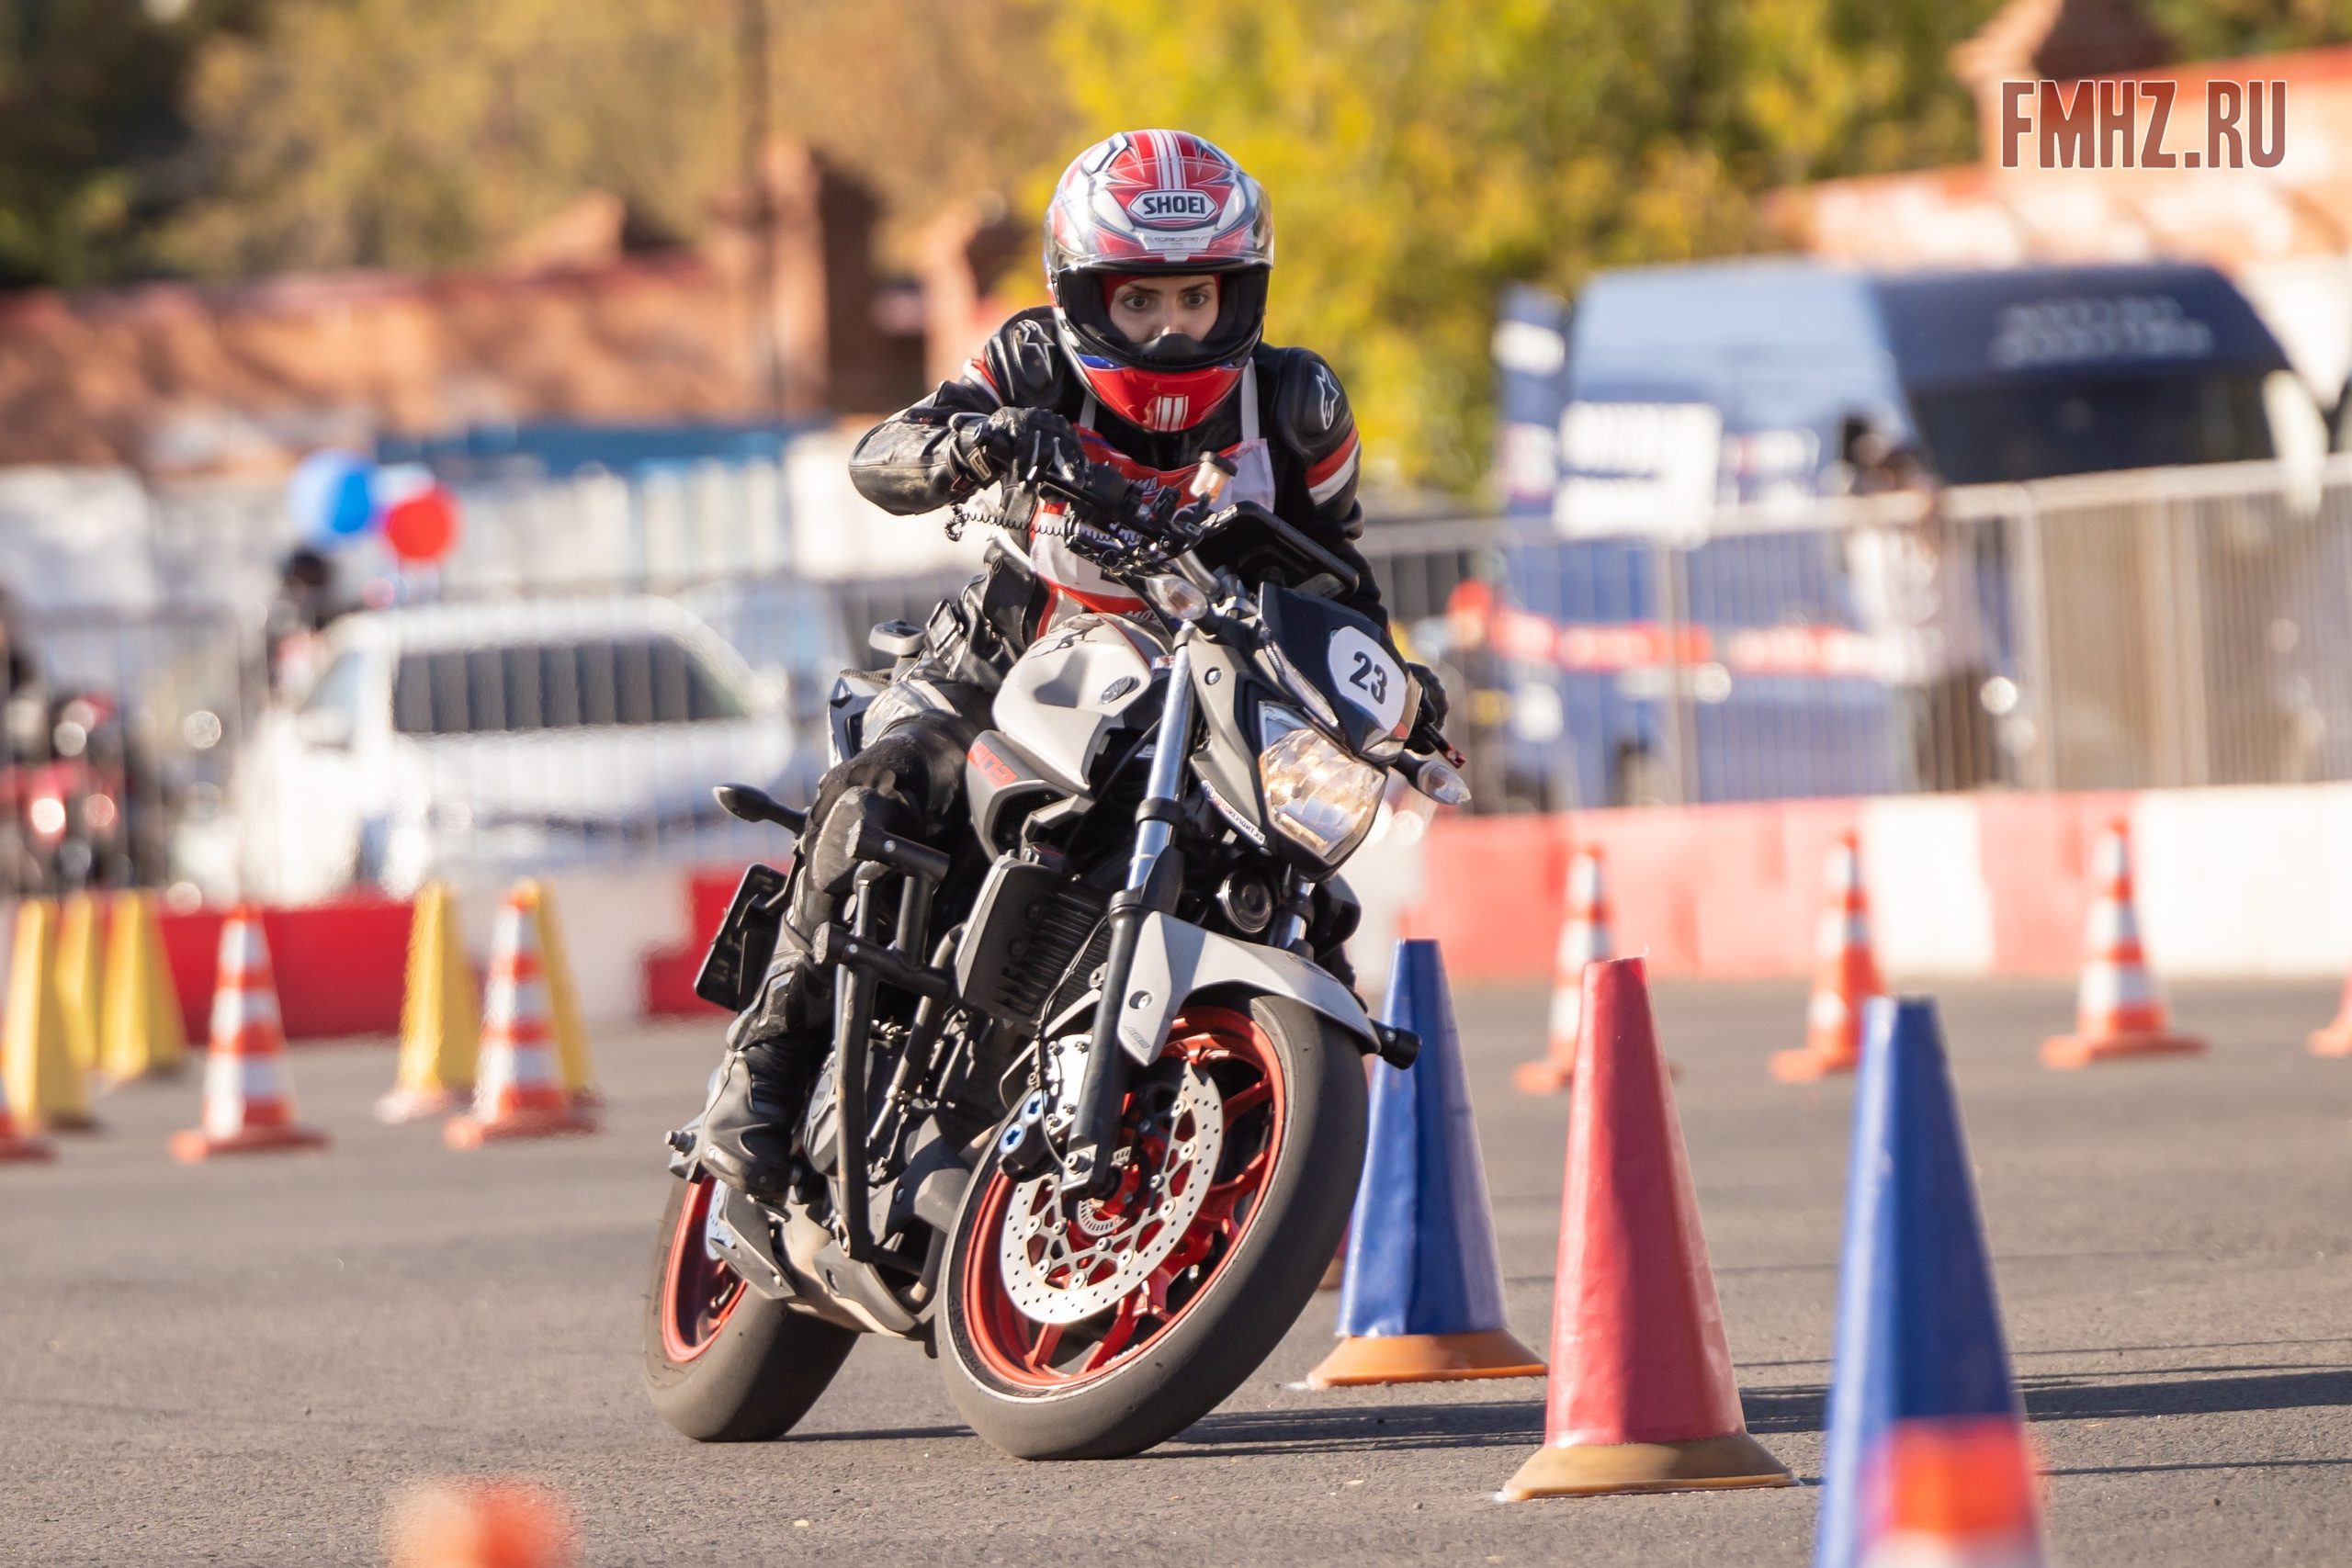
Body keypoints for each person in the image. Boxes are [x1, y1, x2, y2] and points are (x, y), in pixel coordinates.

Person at [699, 130, 1443, 1200]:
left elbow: (1341, 577)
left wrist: (1402, 690)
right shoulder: (1031, 362)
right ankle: (760, 1076)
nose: (1170, 326)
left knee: (1302, 898)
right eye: (1137, 302)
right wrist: (975, 445)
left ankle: (1270, 1175)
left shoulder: (1296, 406)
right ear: (1083, 296)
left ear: (1241, 294)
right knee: (882, 795)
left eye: (1196, 299)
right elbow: (884, 455)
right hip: (1006, 660)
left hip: (1207, 695)